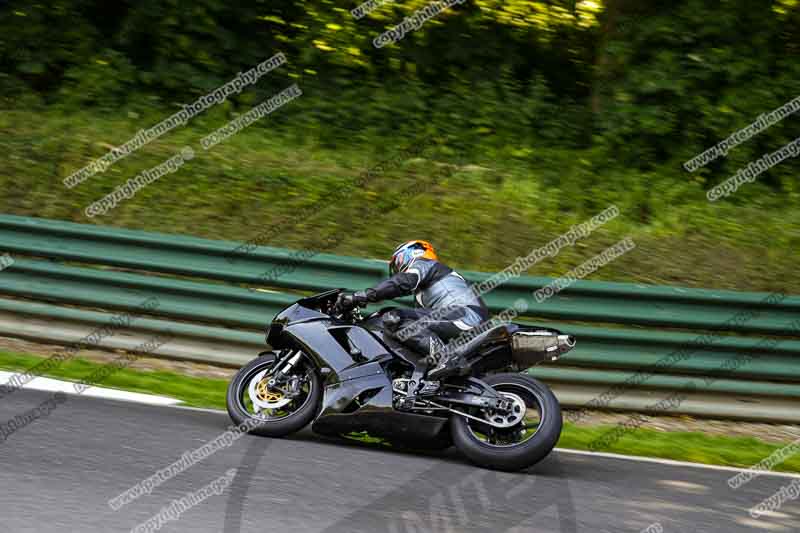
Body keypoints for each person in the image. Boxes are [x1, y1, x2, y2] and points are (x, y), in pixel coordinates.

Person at [334, 240, 489, 380]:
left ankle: (446, 359)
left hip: (465, 315)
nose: (397, 268)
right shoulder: (423, 295)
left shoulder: (425, 264)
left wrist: (362, 296)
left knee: (394, 317)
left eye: (398, 262)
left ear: (414, 252)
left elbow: (402, 283)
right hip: (462, 320)